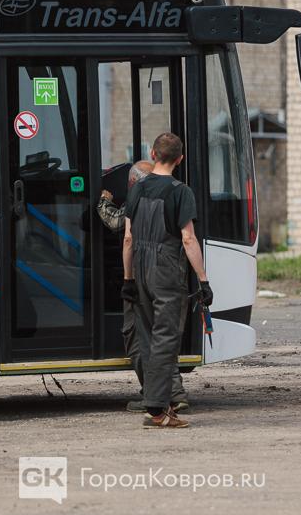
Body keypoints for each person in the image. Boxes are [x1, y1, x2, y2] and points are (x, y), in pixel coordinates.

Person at [123, 132, 212, 428]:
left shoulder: (137, 188)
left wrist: (128, 279)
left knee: (147, 336)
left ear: (152, 154)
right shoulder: (180, 191)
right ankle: (157, 410)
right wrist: (203, 280)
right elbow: (188, 238)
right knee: (166, 337)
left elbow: (128, 238)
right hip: (166, 269)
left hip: (140, 266)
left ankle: (159, 403)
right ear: (180, 159)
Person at [97, 160, 190, 414]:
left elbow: (120, 228)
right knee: (162, 336)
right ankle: (174, 393)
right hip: (167, 276)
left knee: (138, 336)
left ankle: (158, 395)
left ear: (132, 182)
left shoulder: (138, 197)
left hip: (141, 276)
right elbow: (187, 238)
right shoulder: (173, 194)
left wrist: (103, 201)